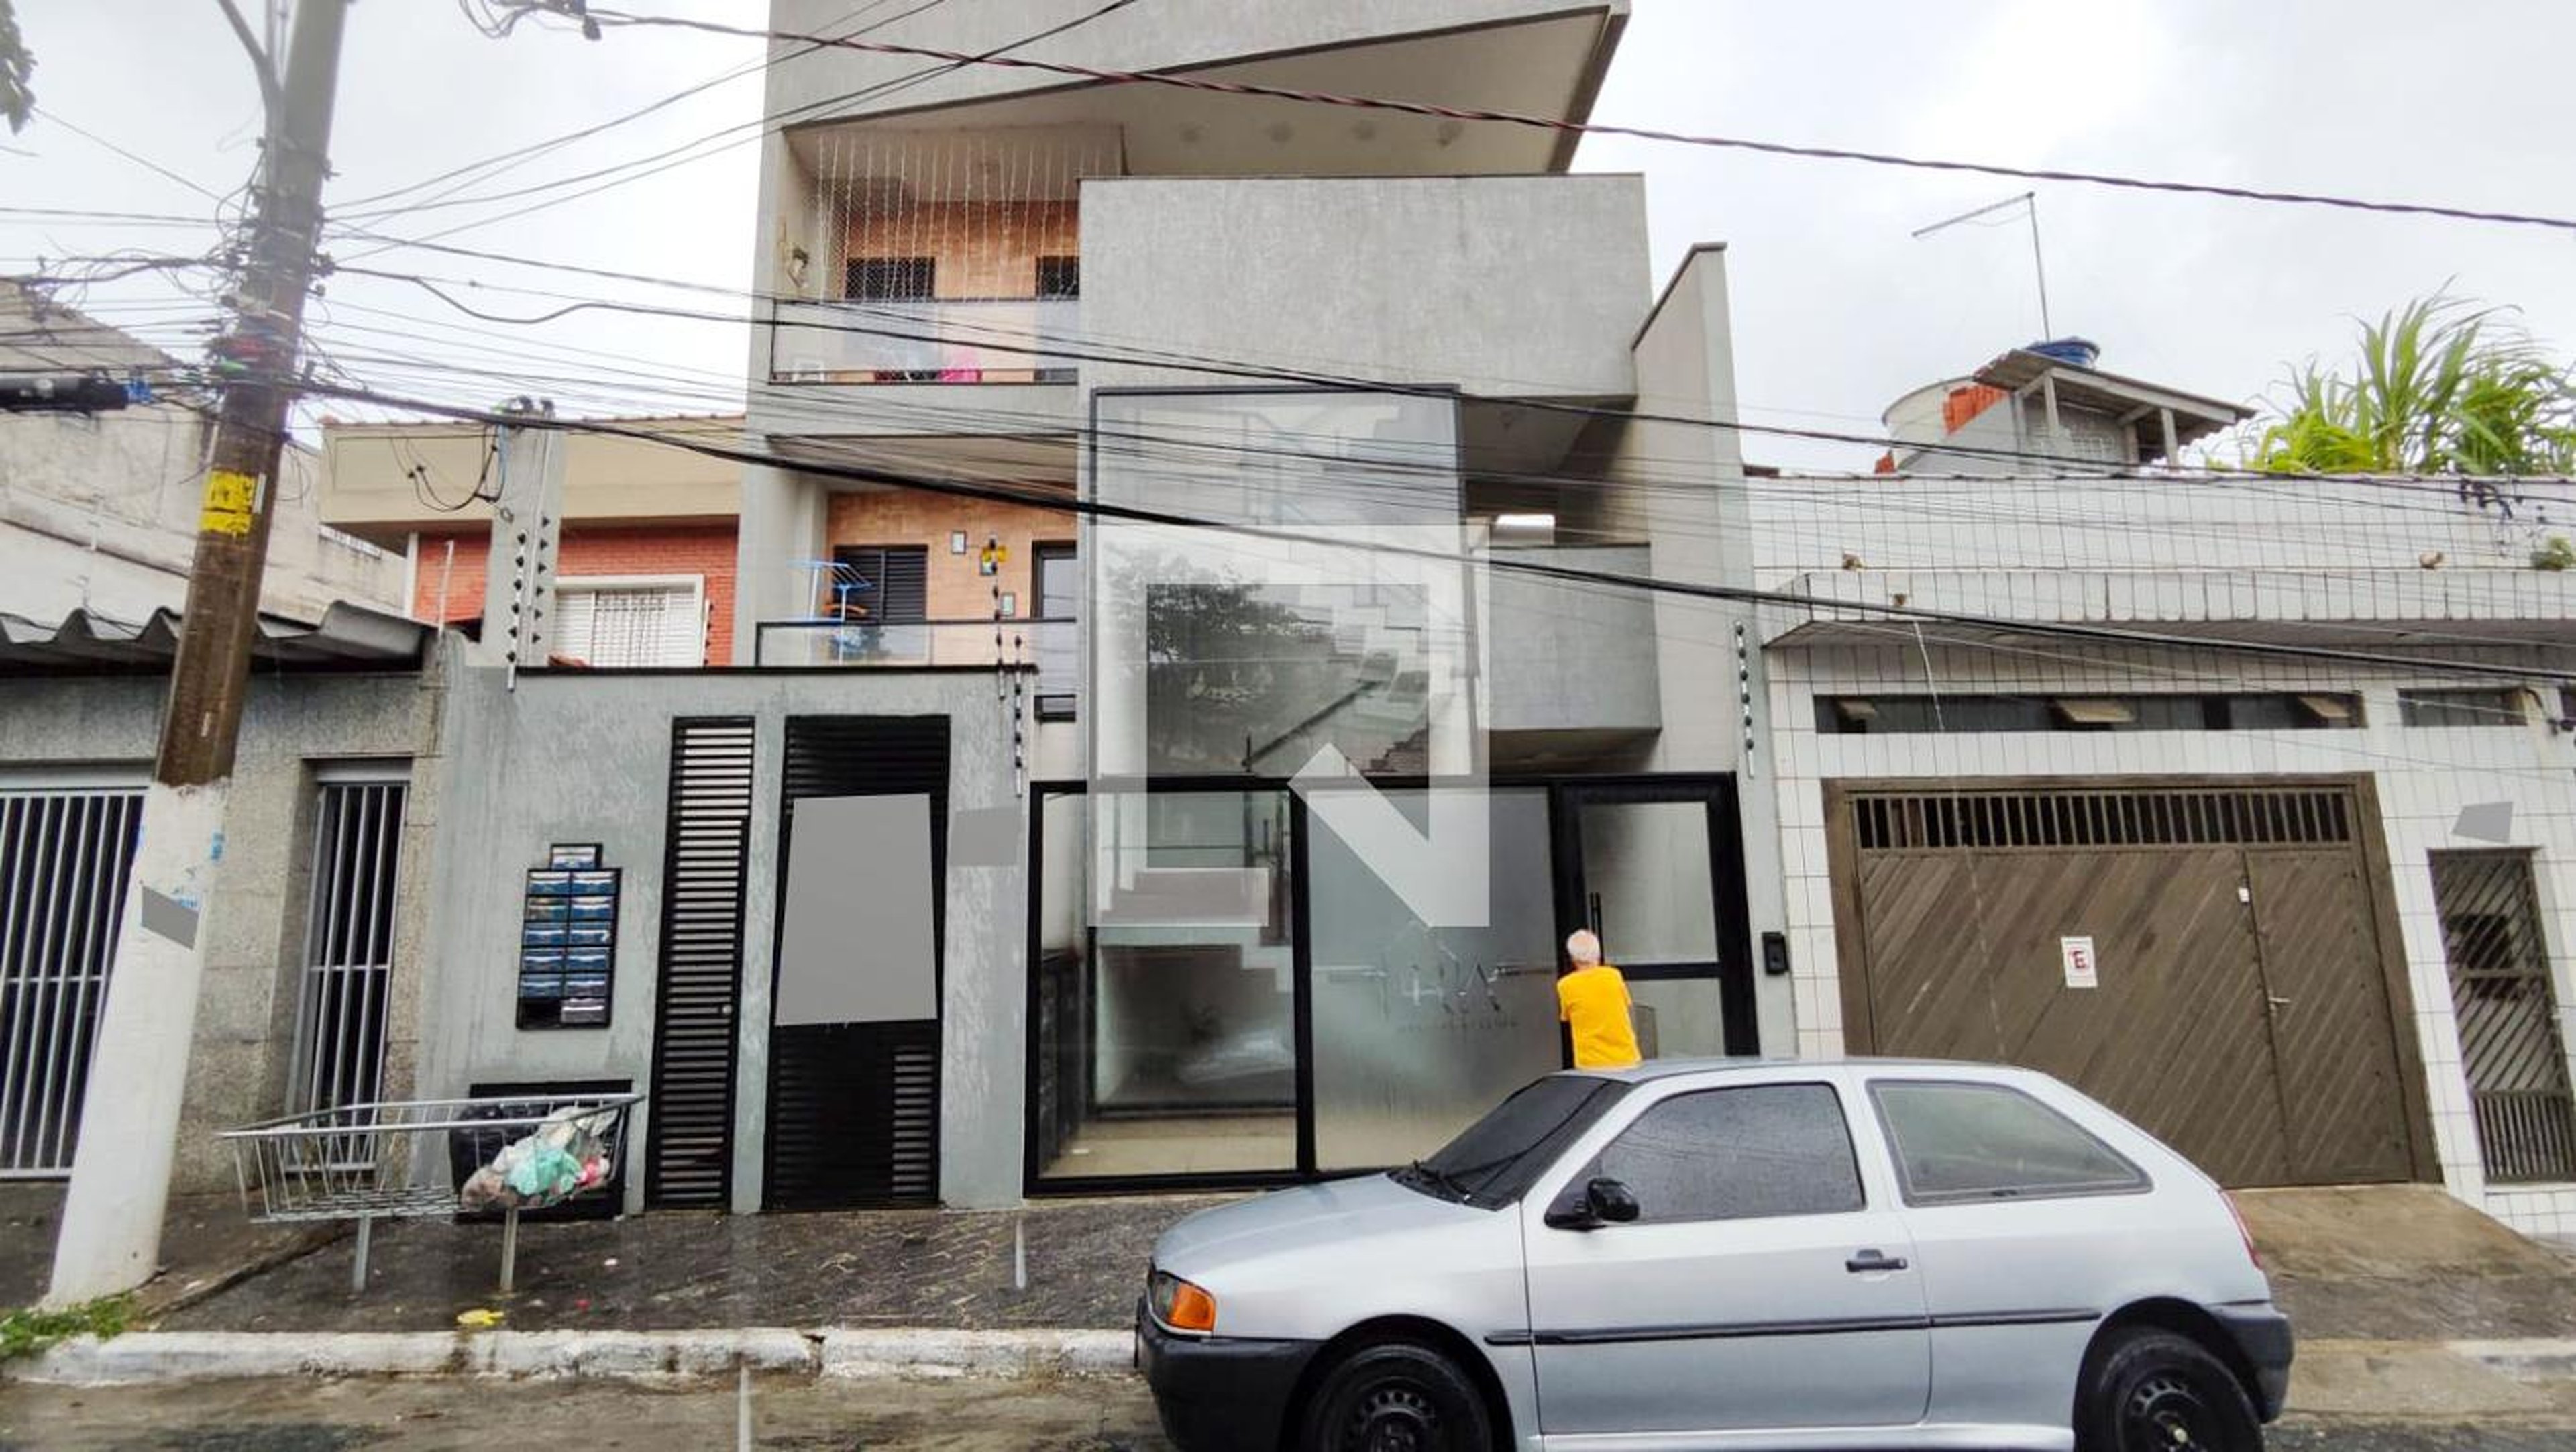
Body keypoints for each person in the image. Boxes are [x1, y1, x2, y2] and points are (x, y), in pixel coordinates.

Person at [1556, 929, 1641, 1070]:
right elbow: (1627, 1004)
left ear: (1573, 958)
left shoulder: (1565, 985)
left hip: (1591, 1062)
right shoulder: (1614, 976)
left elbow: (1566, 1017)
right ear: (1598, 954)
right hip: (1626, 1057)